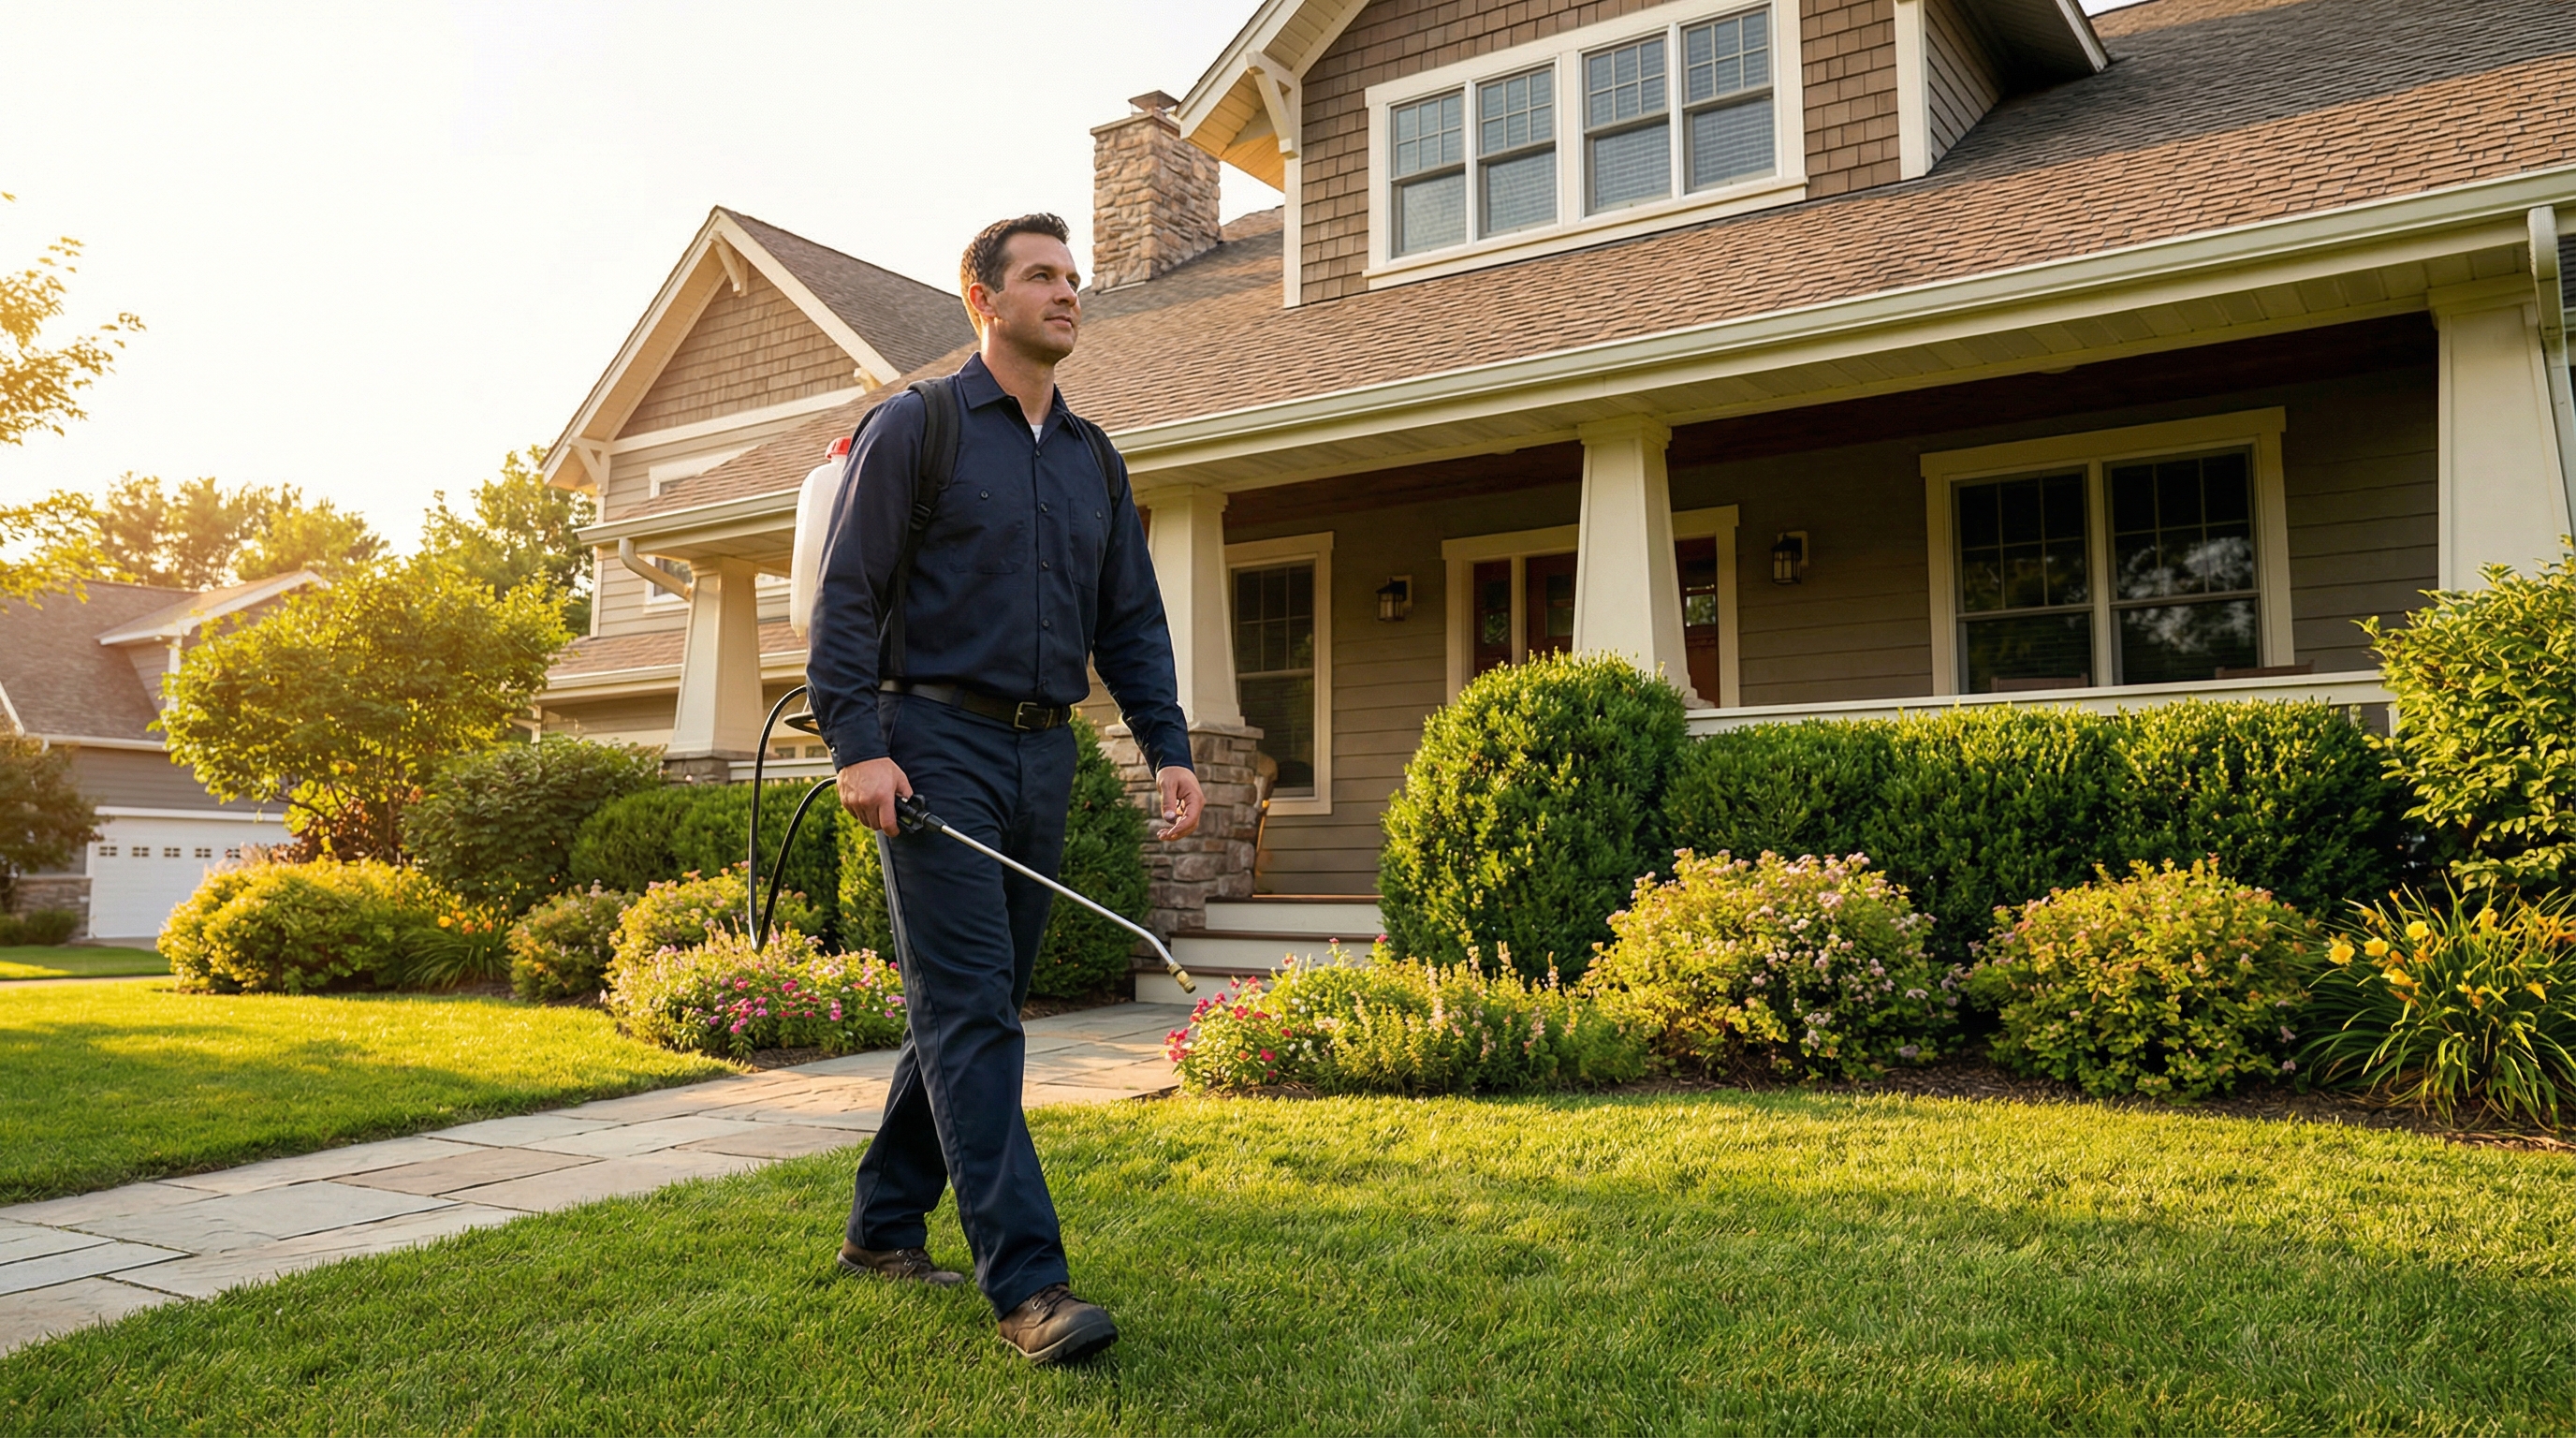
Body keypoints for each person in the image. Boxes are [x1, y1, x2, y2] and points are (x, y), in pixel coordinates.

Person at [805, 212, 1203, 1365]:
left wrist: (1167, 744)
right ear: (981, 298)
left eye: (1073, 277)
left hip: (1043, 753)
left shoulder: (1091, 457)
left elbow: (1130, 619)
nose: (1068, 292)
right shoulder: (918, 425)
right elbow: (845, 596)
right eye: (1041, 276)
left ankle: (883, 1229)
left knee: (973, 1004)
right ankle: (1029, 1286)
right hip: (931, 744)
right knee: (974, 1012)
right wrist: (857, 746)